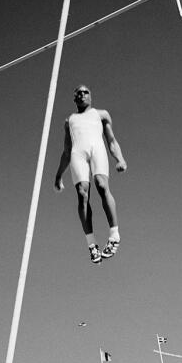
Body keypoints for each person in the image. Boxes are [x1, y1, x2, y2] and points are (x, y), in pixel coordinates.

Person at [53, 85, 127, 264]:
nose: (82, 94)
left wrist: (120, 159)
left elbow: (111, 140)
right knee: (82, 194)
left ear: (90, 96)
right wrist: (58, 176)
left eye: (85, 92)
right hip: (78, 154)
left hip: (97, 150)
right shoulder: (69, 120)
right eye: (78, 92)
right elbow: (67, 150)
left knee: (102, 185)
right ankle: (92, 244)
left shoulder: (101, 114)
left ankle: (114, 235)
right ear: (74, 99)